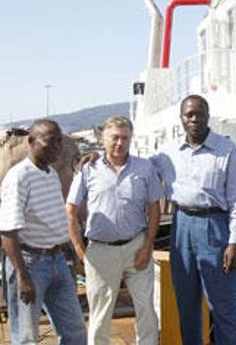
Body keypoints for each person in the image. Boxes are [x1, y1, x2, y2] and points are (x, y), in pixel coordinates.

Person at [152, 95, 236, 345]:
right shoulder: (168, 152)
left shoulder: (226, 150)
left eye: (199, 113)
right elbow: (138, 168)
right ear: (182, 119)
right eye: (189, 115)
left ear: (208, 115)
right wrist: (99, 158)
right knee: (186, 305)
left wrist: (235, 242)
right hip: (181, 226)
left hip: (214, 227)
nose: (194, 119)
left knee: (224, 306)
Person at [66, 116, 162, 345]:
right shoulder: (88, 169)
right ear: (103, 139)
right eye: (115, 138)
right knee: (100, 314)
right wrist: (81, 252)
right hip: (100, 251)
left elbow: (154, 209)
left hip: (136, 246)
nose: (120, 143)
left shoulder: (144, 168)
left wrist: (147, 245)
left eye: (125, 138)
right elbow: (70, 211)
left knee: (146, 308)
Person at [0, 119, 87, 345]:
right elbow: (8, 232)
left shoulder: (50, 173)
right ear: (31, 141)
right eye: (50, 142)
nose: (57, 147)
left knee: (75, 331)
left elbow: (56, 218)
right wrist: (22, 276)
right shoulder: (19, 177)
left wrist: (67, 256)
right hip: (30, 264)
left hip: (57, 260)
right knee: (27, 337)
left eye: (59, 141)